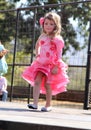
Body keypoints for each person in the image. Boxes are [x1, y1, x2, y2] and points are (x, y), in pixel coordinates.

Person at [22, 12, 69, 112]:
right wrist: (37, 54)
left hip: (51, 64)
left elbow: (59, 53)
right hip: (41, 63)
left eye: (51, 24)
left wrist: (56, 66)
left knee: (48, 84)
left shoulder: (58, 39)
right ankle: (35, 103)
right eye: (46, 23)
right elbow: (37, 45)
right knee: (37, 81)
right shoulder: (42, 36)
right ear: (43, 24)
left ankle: (48, 105)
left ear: (56, 25)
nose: (48, 26)